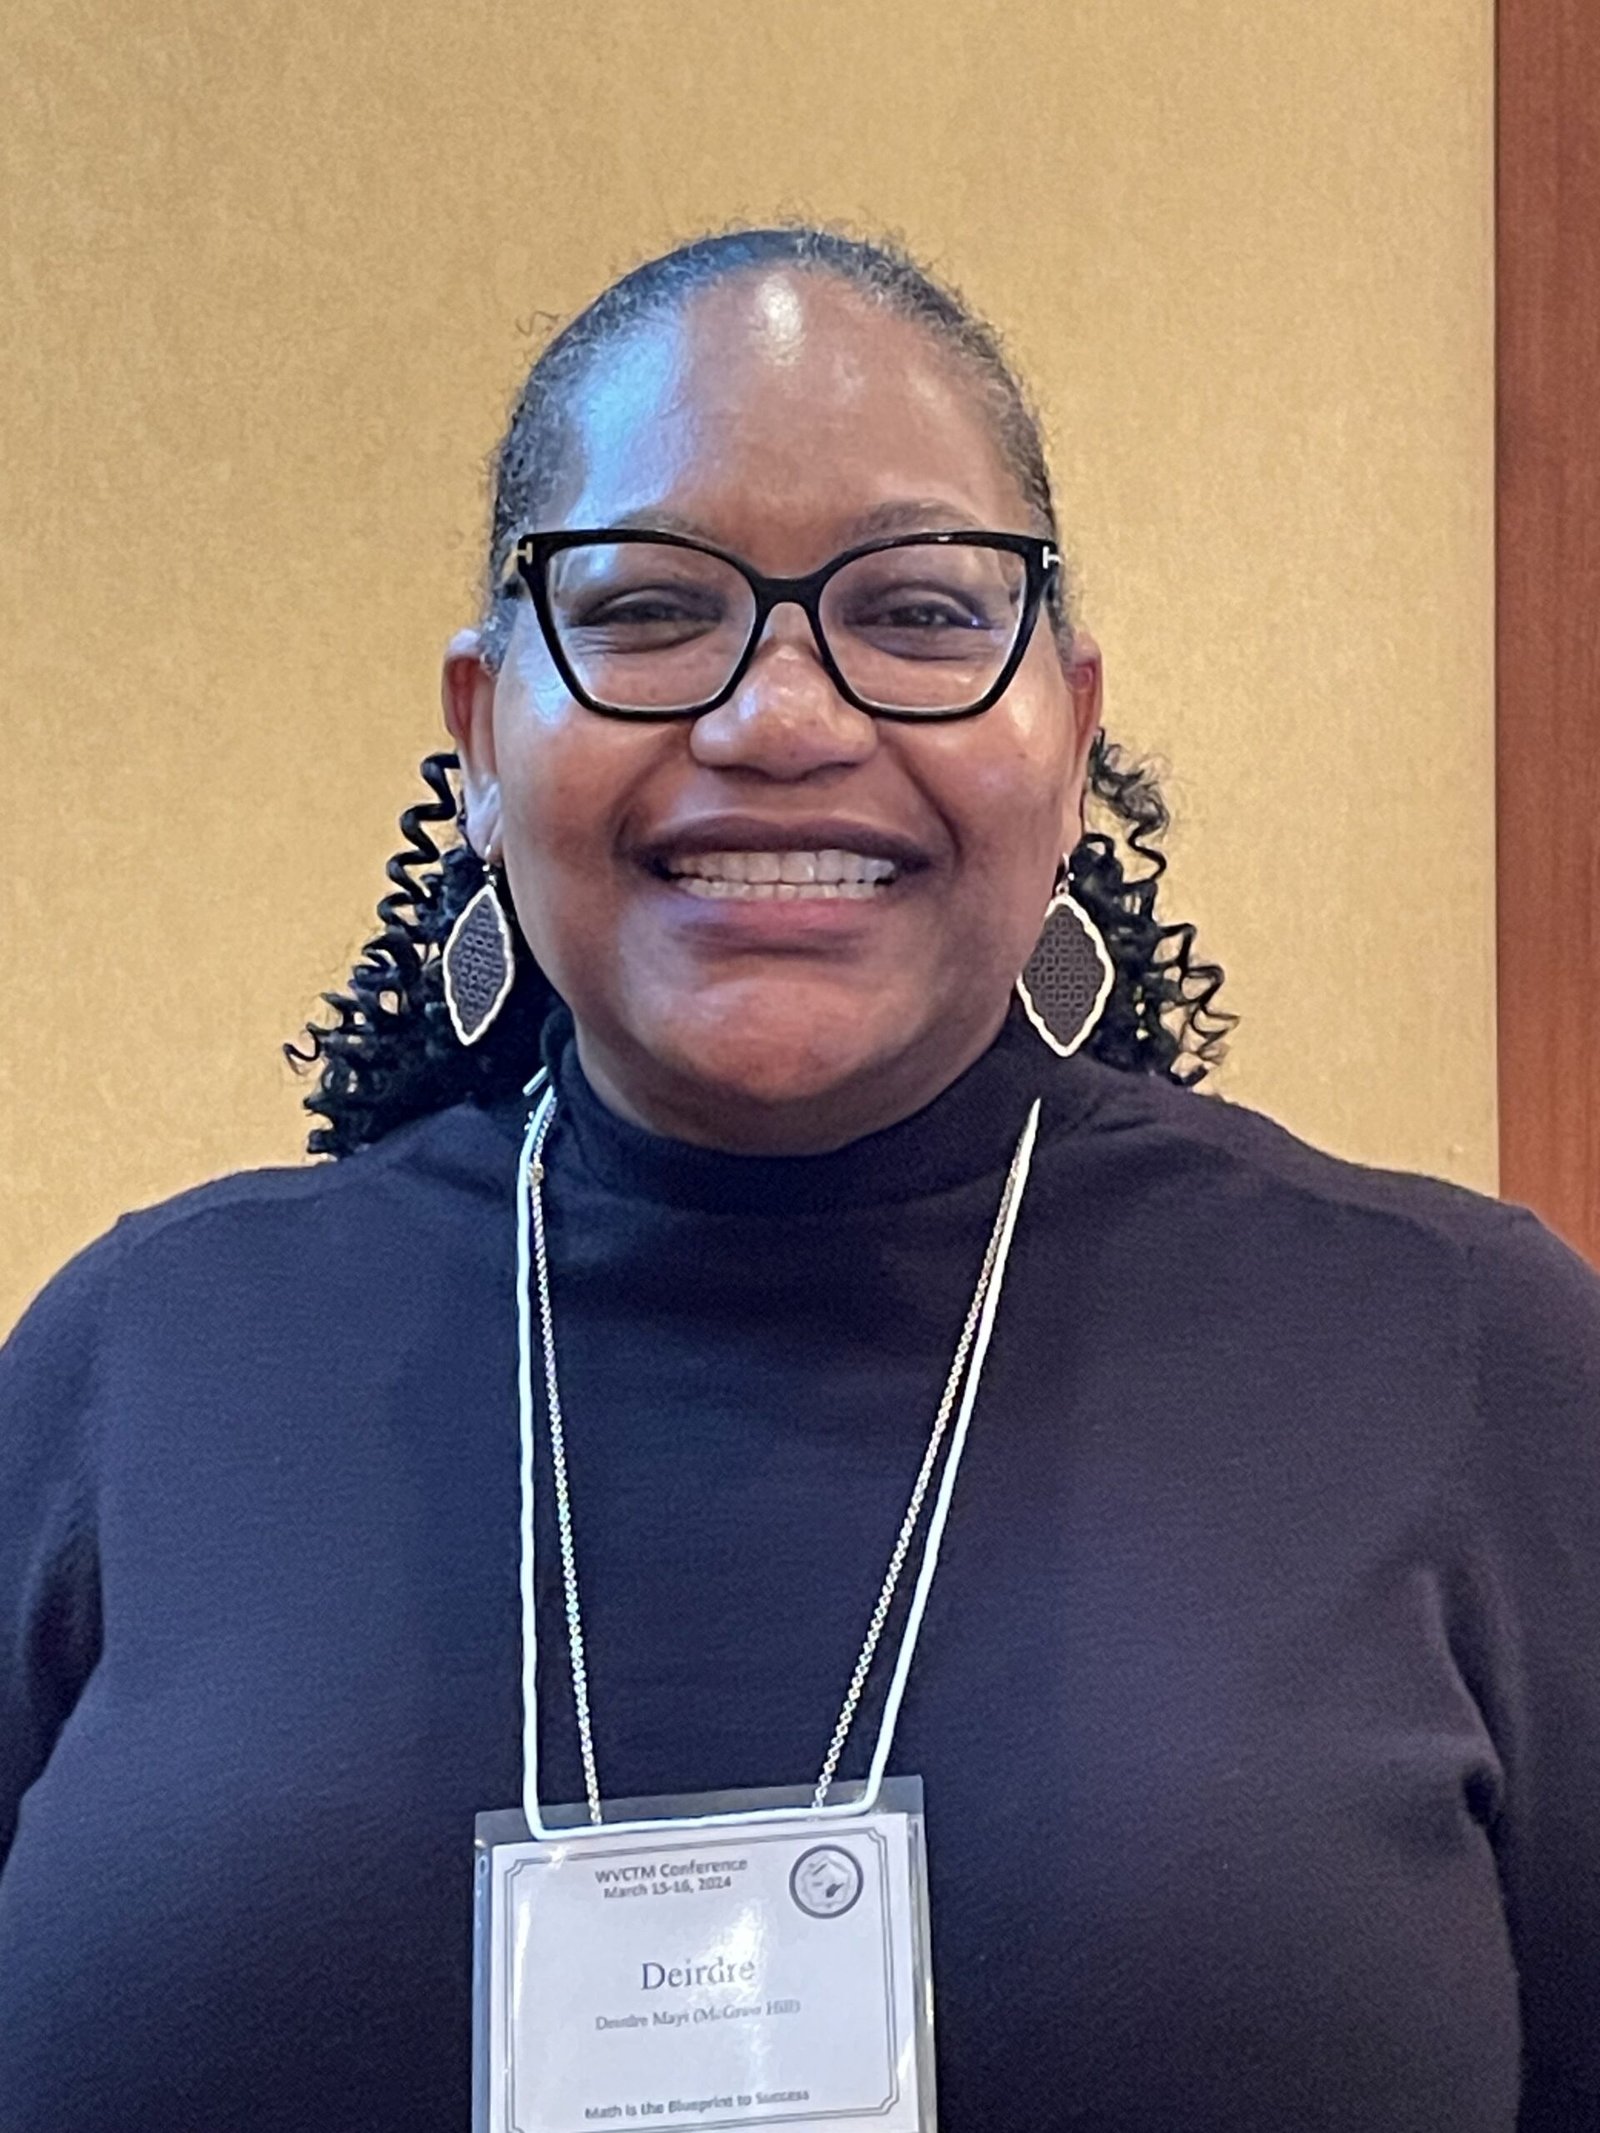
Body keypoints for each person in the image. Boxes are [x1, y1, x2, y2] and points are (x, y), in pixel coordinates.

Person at [1, 224, 1596, 2133]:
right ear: (483, 736)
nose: (781, 716)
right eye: (650, 608)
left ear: (1071, 736)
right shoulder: (144, 1362)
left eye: (917, 611)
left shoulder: (1459, 1352)